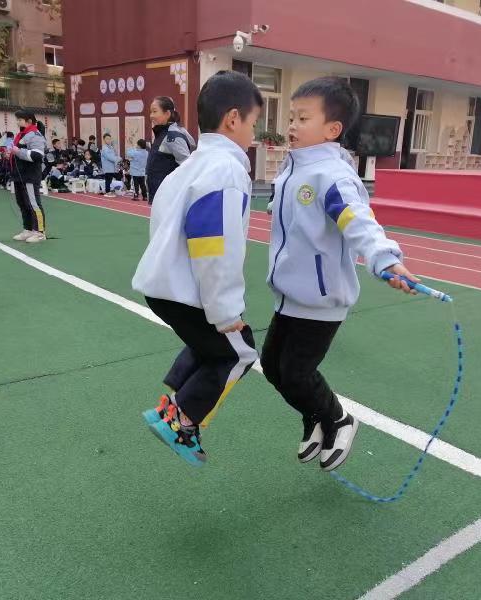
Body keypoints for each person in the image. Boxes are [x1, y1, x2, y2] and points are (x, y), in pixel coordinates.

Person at [262, 77, 418, 472]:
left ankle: (338, 420)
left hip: (321, 296)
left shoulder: (332, 176)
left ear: (332, 129)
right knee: (272, 367)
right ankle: (314, 418)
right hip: (289, 293)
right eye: (291, 116)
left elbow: (357, 221)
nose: (292, 125)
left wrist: (384, 258)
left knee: (296, 373)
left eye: (303, 117)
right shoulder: (293, 168)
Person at [132, 71, 263, 466]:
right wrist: (225, 309)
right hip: (185, 290)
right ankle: (183, 422)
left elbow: (161, 223)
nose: (254, 135)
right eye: (254, 124)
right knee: (239, 352)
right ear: (233, 119)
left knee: (213, 345)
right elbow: (213, 244)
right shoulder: (226, 170)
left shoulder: (187, 168)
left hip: (162, 286)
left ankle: (170, 405)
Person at [146, 96, 195, 204]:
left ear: (167, 114)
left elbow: (188, 167)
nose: (151, 115)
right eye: (151, 112)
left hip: (169, 197)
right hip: (160, 196)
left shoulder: (172, 137)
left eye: (155, 111)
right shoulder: (162, 133)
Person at [9, 109, 48, 243]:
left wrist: (18, 151)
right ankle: (28, 229)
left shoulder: (35, 135)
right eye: (17, 119)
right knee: (22, 203)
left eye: (20, 120)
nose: (17, 122)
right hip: (19, 174)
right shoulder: (22, 134)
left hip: (30, 175)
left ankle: (40, 232)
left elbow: (37, 155)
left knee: (33, 203)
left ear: (29, 121)